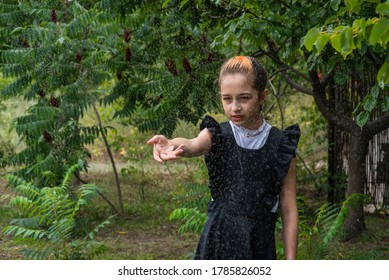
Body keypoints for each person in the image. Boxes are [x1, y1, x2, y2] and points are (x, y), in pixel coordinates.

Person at [147, 56, 300, 260]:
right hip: (217, 242)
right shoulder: (217, 134)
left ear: (262, 96)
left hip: (258, 246)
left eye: (244, 98)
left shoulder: (281, 145)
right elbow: (194, 145)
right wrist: (171, 144)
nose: (234, 107)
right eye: (227, 99)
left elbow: (289, 210)